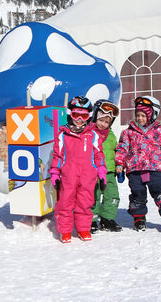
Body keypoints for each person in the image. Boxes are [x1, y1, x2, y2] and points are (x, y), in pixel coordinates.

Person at [115, 96, 161, 232]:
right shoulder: (128, 132)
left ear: (152, 116)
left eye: (143, 115)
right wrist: (119, 163)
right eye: (137, 115)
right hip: (134, 169)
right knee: (137, 193)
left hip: (154, 169)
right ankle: (139, 218)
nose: (139, 118)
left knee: (159, 190)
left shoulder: (160, 132)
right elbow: (122, 148)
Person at [50, 96, 107, 243]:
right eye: (76, 115)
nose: (80, 119)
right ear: (70, 114)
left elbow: (99, 154)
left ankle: (83, 229)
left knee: (85, 202)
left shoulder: (93, 135)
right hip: (69, 176)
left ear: (89, 116)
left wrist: (101, 171)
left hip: (88, 176)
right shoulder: (63, 135)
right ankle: (65, 231)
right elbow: (58, 155)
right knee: (65, 203)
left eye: (84, 116)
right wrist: (55, 173)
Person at [89, 100, 123, 233]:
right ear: (94, 117)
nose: (103, 124)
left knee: (112, 196)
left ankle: (107, 219)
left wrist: (119, 166)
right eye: (101, 120)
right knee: (93, 197)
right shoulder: (89, 133)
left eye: (107, 122)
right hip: (93, 172)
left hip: (109, 172)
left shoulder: (111, 134)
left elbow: (116, 150)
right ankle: (91, 220)